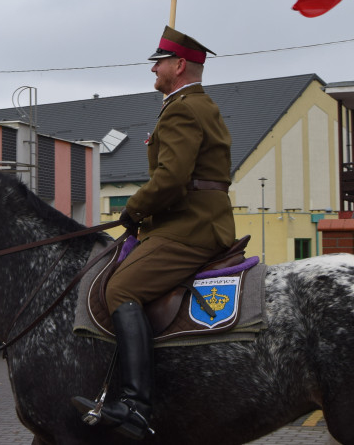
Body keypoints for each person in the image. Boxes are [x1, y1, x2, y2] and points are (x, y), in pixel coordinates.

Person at [73, 25, 236, 440]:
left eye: (159, 62)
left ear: (179, 65)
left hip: (190, 226)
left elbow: (173, 177)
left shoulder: (182, 108)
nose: (154, 69)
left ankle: (136, 407)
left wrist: (134, 208)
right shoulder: (196, 104)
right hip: (192, 219)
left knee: (120, 290)